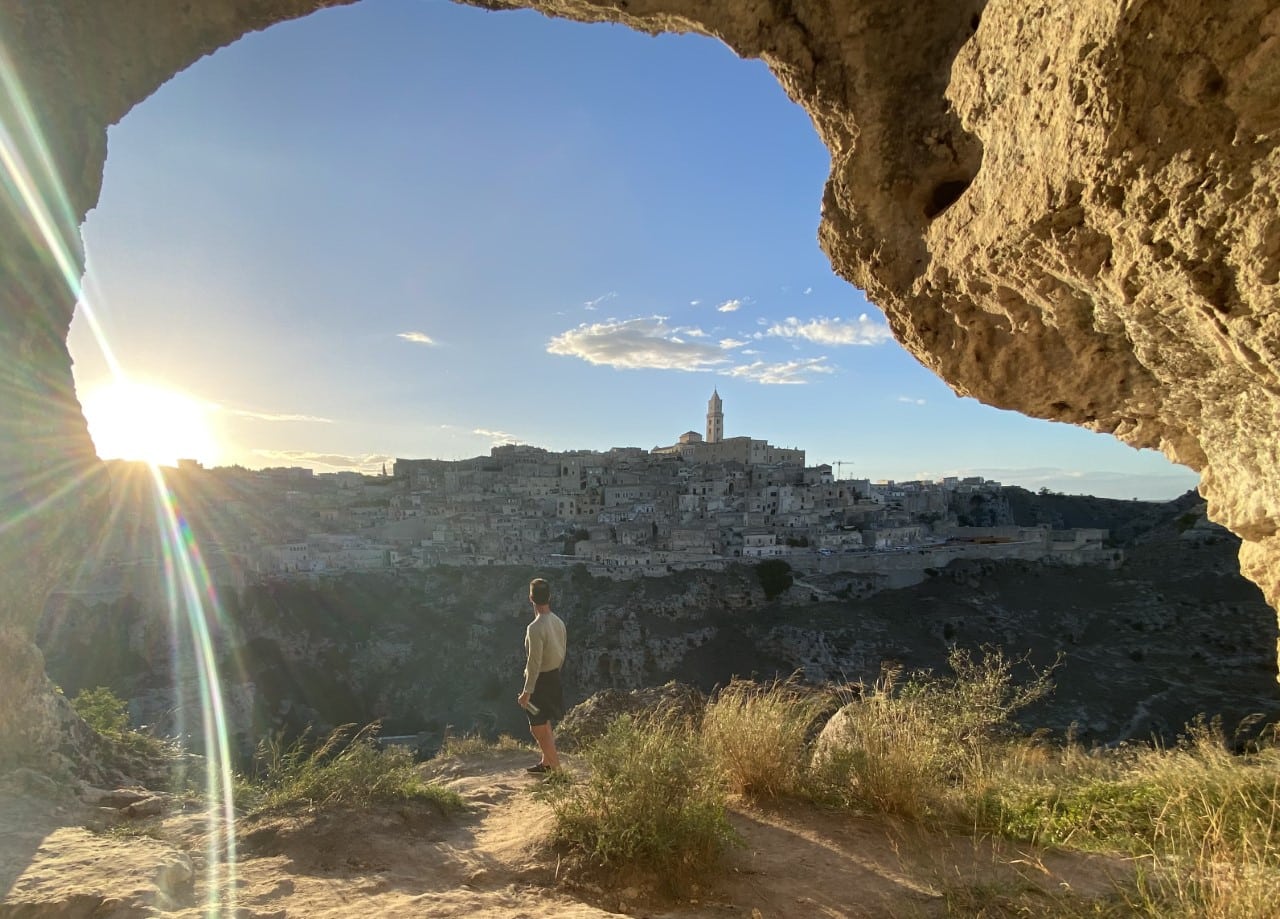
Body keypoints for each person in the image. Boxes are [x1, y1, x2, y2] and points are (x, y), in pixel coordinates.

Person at [518, 577, 567, 773]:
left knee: (537, 727)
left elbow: (534, 662)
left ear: (531, 598)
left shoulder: (535, 627)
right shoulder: (558, 622)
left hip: (540, 683)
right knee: (545, 723)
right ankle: (547, 763)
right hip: (554, 677)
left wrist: (527, 692)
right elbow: (562, 652)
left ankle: (556, 770)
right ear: (550, 597)